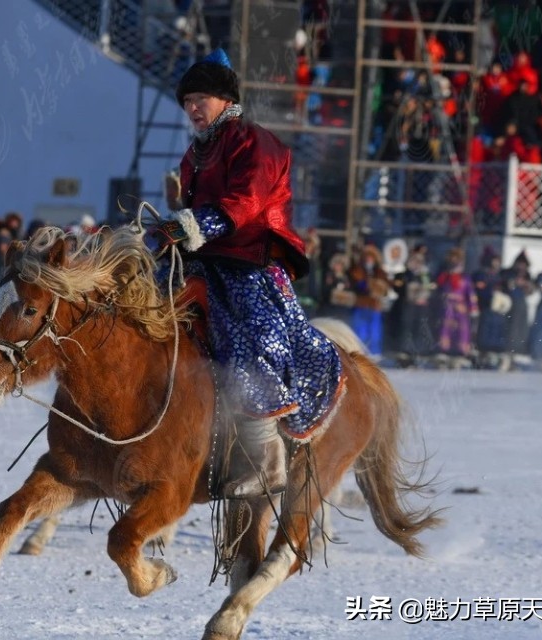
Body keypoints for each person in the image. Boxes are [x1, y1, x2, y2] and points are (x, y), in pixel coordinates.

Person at [143, 49, 344, 498]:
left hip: (251, 261)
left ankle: (267, 455)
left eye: (201, 99)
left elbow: (246, 202)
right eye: (187, 101)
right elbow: (190, 213)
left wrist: (192, 225)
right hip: (205, 260)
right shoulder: (195, 153)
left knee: (249, 346)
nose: (192, 109)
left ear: (225, 100)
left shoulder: (257, 142)